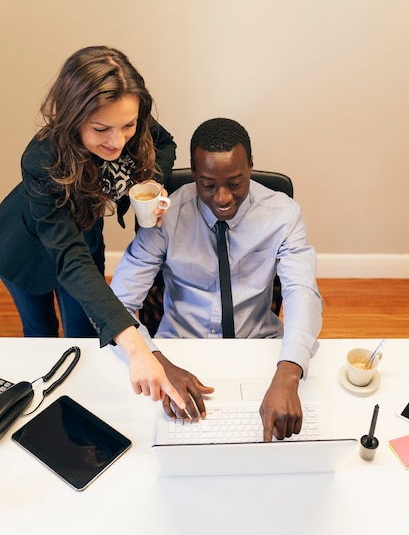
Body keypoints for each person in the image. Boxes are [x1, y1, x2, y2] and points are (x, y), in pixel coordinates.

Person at [110, 117, 323, 441]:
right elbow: (117, 305)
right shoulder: (166, 217)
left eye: (235, 183)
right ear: (194, 174)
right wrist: (156, 360)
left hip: (259, 353)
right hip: (178, 353)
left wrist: (289, 372)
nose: (222, 197)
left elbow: (302, 291)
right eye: (208, 185)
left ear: (251, 166)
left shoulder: (283, 214)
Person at [0, 46, 185, 410]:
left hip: (82, 241)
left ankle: (81, 404)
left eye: (128, 126)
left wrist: (153, 183)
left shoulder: (132, 116)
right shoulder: (40, 159)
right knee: (40, 332)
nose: (118, 142)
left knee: (84, 333)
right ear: (72, 117)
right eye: (101, 129)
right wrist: (136, 346)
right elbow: (68, 258)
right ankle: (47, 406)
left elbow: (165, 143)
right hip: (23, 250)